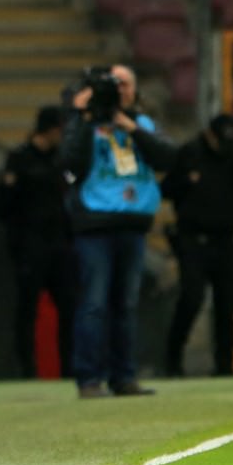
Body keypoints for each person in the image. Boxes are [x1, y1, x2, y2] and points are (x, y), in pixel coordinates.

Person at [59, 64, 175, 399]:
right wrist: (83, 116)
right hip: (95, 222)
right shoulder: (84, 123)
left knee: (125, 304)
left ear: (135, 91)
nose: (119, 90)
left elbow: (169, 157)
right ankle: (89, 378)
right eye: (113, 84)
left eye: (125, 84)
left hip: (133, 223)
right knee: (94, 303)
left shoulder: (143, 124)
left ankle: (124, 377)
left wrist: (131, 127)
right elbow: (70, 164)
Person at [161, 114, 233, 377]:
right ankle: (173, 360)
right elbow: (166, 188)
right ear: (209, 135)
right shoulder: (189, 154)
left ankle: (225, 365)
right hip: (192, 239)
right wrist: (187, 181)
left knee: (227, 303)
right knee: (191, 298)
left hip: (224, 241)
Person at [0, 105, 77, 379]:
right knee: (27, 308)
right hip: (30, 244)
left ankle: (69, 368)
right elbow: (3, 204)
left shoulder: (61, 160)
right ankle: (26, 369)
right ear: (50, 130)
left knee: (68, 306)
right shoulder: (19, 159)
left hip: (59, 244)